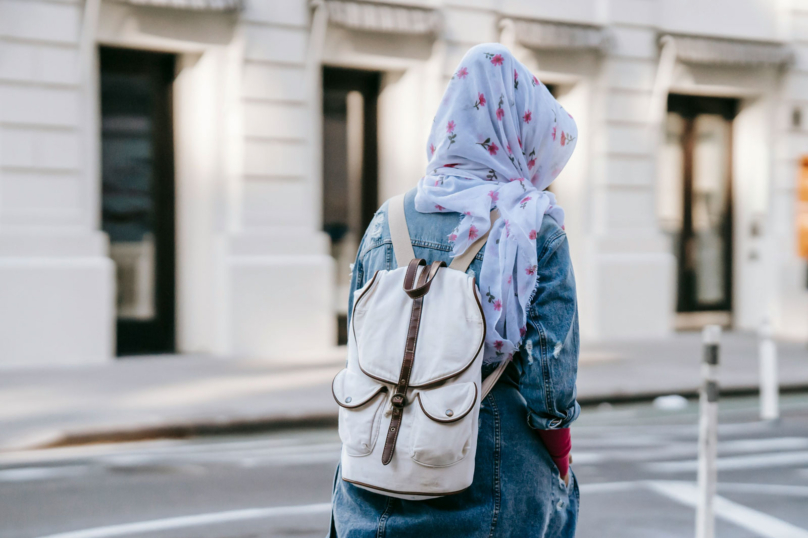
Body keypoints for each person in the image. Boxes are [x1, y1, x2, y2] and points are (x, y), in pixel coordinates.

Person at [329, 43, 580, 538]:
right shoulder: (532, 228)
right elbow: (549, 380)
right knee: (562, 497)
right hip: (483, 476)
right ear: (520, 134)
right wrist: (561, 454)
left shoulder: (388, 218)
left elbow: (359, 340)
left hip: (371, 474)